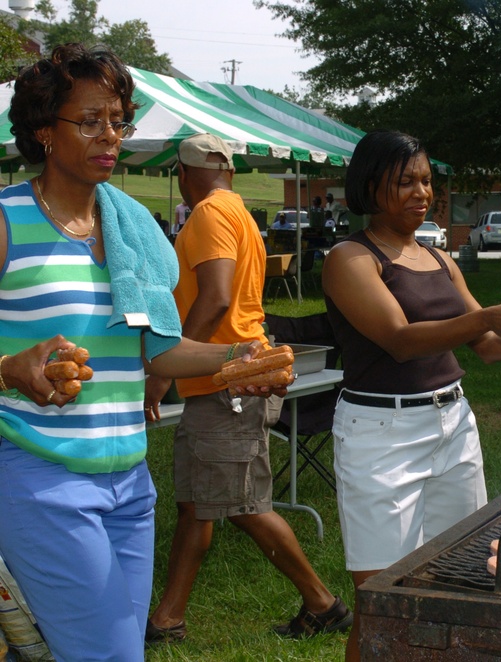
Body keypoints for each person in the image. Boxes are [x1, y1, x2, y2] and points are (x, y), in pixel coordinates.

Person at [0, 43, 272, 662]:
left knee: (96, 649)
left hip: (129, 483)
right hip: (42, 477)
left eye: (118, 120)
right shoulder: (7, 221)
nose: (110, 136)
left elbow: (160, 353)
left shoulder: (133, 228)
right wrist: (9, 370)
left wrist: (237, 361)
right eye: (90, 120)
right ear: (44, 130)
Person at [322, 130, 501, 661]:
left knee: (458, 575)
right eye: (405, 181)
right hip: (381, 437)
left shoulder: (439, 261)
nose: (421, 192)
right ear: (369, 185)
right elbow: (400, 340)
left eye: (427, 181)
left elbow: (493, 346)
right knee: (381, 597)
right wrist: (484, 315)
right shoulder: (351, 259)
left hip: (453, 426)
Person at [143, 133, 351, 644]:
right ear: (230, 170)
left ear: (184, 173)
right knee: (197, 502)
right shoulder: (238, 211)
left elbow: (214, 299)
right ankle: (167, 619)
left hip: (228, 379)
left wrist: (165, 365)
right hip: (225, 376)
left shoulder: (210, 214)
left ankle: (323, 604)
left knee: (244, 506)